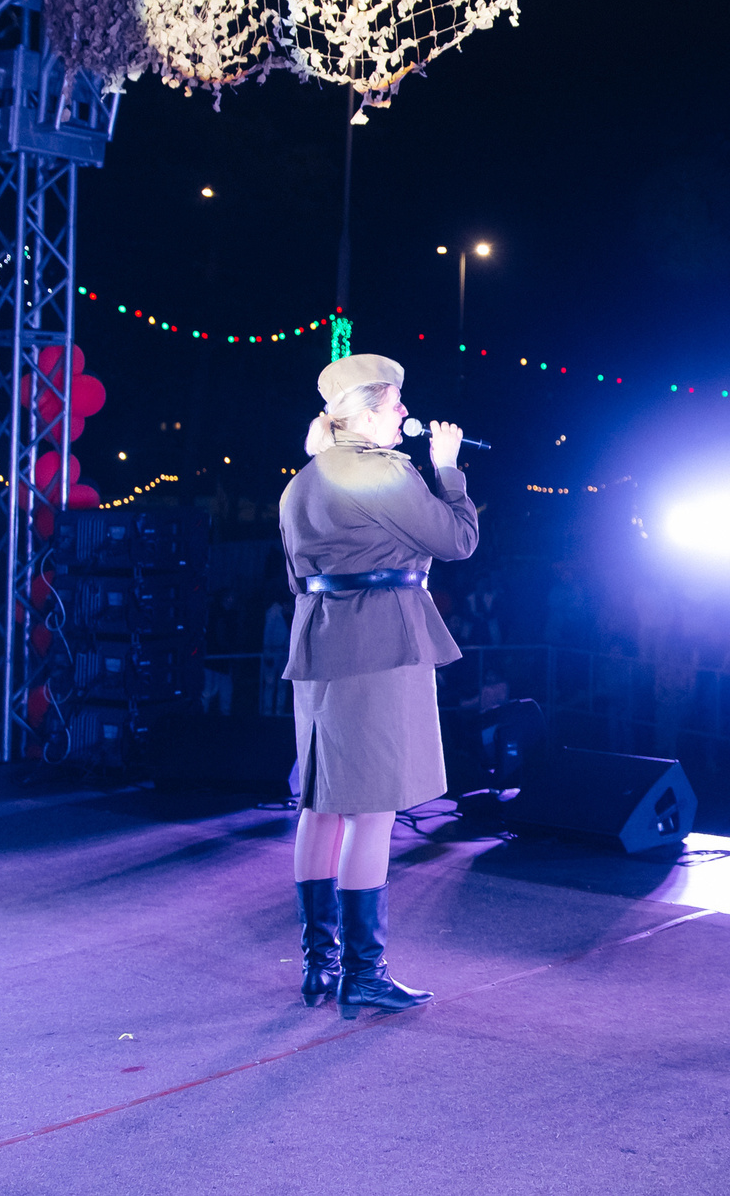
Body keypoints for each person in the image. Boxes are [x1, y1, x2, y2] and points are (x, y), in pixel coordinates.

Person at [280, 353, 478, 1018]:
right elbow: (456, 540)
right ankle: (363, 973)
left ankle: (320, 965)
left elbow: (296, 578)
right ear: (364, 412)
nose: (403, 413)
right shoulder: (384, 473)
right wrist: (448, 471)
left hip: (320, 645)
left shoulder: (301, 483)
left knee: (322, 804)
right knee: (372, 810)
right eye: (394, 403)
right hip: (380, 644)